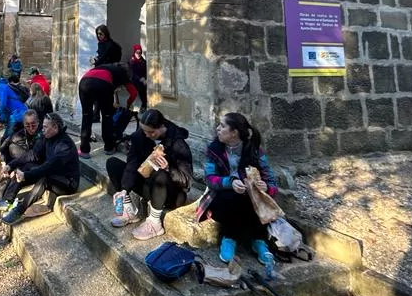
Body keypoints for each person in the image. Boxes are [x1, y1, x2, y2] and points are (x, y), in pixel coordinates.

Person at [201, 112, 279, 275]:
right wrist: (229, 182)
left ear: (234, 132)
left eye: (222, 126)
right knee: (234, 196)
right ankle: (229, 238)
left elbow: (270, 179)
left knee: (249, 196)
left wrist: (266, 187)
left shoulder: (254, 150)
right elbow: (209, 179)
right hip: (221, 197)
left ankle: (258, 241)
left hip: (250, 199)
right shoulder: (214, 149)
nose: (218, 129)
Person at [107, 108, 193, 240]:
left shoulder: (178, 144)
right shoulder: (140, 136)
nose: (147, 135)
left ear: (161, 127)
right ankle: (129, 211)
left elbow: (187, 181)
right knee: (113, 163)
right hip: (148, 186)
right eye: (144, 131)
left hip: (172, 194)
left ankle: (154, 223)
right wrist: (124, 189)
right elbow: (132, 164)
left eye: (151, 132)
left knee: (161, 174)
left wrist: (169, 168)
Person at [0, 112, 81, 225]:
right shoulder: (47, 137)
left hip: (67, 182)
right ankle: (8, 200)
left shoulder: (64, 144)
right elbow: (32, 154)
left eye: (45, 127)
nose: (42, 129)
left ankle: (19, 210)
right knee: (26, 167)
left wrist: (26, 176)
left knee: (44, 180)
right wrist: (10, 165)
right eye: (43, 126)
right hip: (52, 173)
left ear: (55, 127)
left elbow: (49, 166)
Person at [77, 62, 137, 158]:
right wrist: (128, 104)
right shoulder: (122, 73)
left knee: (86, 116)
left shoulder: (106, 67)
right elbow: (133, 93)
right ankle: (109, 147)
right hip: (103, 84)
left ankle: (84, 150)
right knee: (107, 116)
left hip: (84, 82)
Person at [0, 73, 30, 142]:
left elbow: (1, 106)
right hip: (23, 112)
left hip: (17, 115)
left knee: (5, 139)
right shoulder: (5, 86)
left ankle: (0, 152)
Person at [129, 44, 147, 110]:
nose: (138, 54)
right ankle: (144, 104)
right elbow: (133, 73)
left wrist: (144, 78)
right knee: (140, 87)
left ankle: (145, 104)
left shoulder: (143, 61)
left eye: (140, 52)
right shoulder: (132, 61)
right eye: (137, 52)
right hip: (136, 80)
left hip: (143, 79)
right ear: (134, 52)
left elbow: (146, 71)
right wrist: (141, 79)